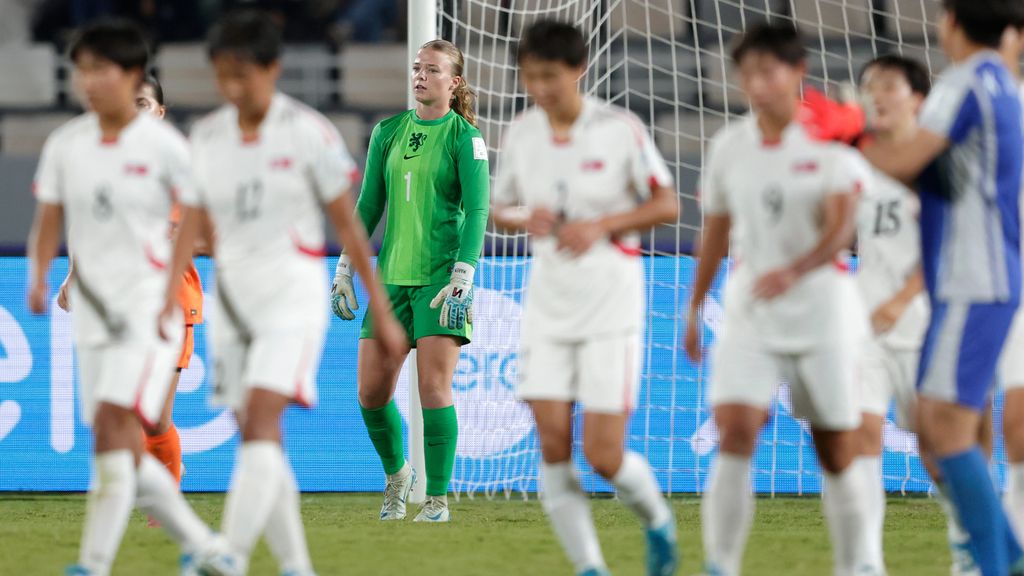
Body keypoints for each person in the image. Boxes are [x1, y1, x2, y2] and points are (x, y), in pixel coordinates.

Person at [160, 10, 406, 575]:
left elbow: (348, 225)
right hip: (235, 299)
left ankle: (227, 555)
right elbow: (191, 224)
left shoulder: (307, 133)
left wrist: (382, 308)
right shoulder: (207, 137)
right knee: (258, 438)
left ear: (272, 68)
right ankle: (297, 567)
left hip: (292, 295)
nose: (232, 87)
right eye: (223, 75)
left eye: (243, 73)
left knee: (264, 423)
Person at [684, 21, 879, 576]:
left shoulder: (831, 142)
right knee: (736, 430)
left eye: (768, 70)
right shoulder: (728, 146)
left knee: (835, 447)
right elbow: (715, 232)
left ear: (798, 73)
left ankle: (859, 563)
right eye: (747, 72)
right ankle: (720, 563)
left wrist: (796, 269)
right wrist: (695, 307)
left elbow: (843, 230)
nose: (756, 83)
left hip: (822, 308)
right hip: (751, 308)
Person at [26, 19, 218, 576]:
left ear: (133, 76)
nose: (88, 81)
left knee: (128, 425)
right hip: (96, 312)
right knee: (115, 436)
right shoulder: (68, 145)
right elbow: (56, 219)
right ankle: (202, 546)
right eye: (81, 70)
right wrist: (45, 276)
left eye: (100, 70)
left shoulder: (165, 148)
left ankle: (95, 561)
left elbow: (200, 225)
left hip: (155, 307)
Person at [490, 20, 679, 576]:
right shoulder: (521, 132)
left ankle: (657, 521)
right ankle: (590, 567)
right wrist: (527, 216)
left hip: (610, 310)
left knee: (603, 455)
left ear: (579, 70)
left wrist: (603, 225)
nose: (540, 88)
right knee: (551, 443)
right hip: (547, 306)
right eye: (530, 77)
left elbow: (667, 204)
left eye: (550, 76)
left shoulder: (620, 129)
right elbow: (500, 209)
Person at [861, 0, 1024, 573]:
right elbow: (949, 174)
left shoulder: (963, 82)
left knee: (947, 430)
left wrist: (848, 135)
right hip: (981, 275)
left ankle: (999, 561)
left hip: (973, 277)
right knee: (941, 427)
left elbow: (906, 159)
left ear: (949, 21)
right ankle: (1003, 553)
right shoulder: (1006, 86)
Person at [330, 38, 489, 523]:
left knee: (434, 389)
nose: (420, 76)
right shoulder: (388, 131)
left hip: (442, 281)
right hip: (390, 282)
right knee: (370, 395)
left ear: (454, 82)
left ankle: (437, 499)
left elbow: (479, 209)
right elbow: (368, 206)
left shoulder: (466, 139)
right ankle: (398, 475)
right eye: (417, 68)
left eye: (432, 70)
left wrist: (464, 273)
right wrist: (345, 267)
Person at [57, 75, 204, 493]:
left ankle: (167, 487)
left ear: (159, 111)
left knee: (155, 414)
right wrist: (74, 273)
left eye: (143, 104)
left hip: (171, 302)